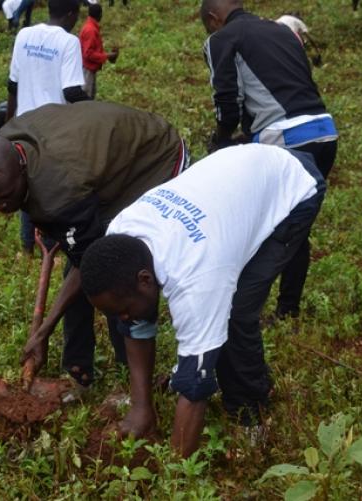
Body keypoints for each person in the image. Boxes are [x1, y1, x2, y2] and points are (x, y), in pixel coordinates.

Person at [79, 144, 326, 457]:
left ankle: (250, 413)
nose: (123, 319)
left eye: (124, 311)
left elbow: (196, 387)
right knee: (209, 309)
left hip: (292, 186)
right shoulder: (121, 232)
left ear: (145, 279)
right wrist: (141, 407)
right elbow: (136, 323)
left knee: (235, 313)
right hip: (237, 175)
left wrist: (176, 476)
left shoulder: (198, 279)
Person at [0, 101, 189, 389]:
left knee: (114, 275)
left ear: (22, 168)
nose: (2, 208)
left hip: (154, 160)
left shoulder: (59, 191)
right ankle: (78, 371)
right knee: (79, 262)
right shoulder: (7, 141)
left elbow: (88, 262)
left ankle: (131, 382)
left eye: (7, 197)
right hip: (102, 162)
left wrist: (43, 331)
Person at [200, 0, 338, 320]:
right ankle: (288, 310)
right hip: (324, 132)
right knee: (295, 226)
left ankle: (243, 312)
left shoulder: (221, 39)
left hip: (286, 140)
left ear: (212, 18)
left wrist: (221, 139)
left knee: (267, 227)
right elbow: (290, 88)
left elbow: (227, 103)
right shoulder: (283, 30)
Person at [6, 0, 88, 257]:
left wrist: (8, 128)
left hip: (24, 127)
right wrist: (97, 109)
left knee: (27, 186)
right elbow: (72, 91)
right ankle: (50, 249)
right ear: (72, 14)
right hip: (55, 131)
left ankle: (26, 249)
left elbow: (12, 85)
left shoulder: (25, 34)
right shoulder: (68, 42)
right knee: (53, 191)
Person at [79, 4, 119, 99]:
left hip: (88, 69)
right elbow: (88, 53)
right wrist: (108, 56)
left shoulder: (90, 26)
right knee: (86, 99)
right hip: (87, 70)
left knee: (90, 96)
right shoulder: (91, 30)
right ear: (100, 15)